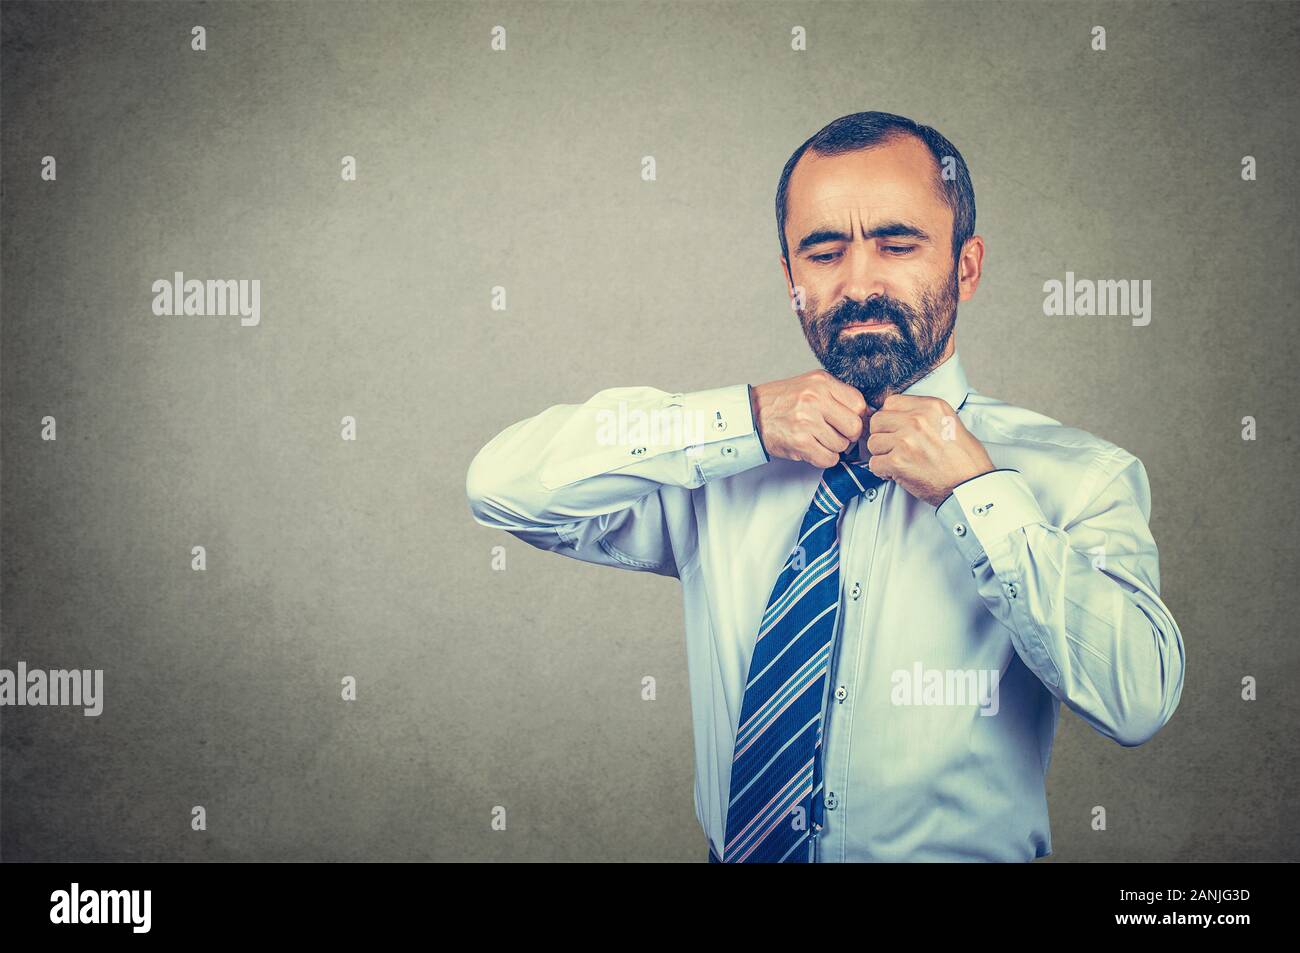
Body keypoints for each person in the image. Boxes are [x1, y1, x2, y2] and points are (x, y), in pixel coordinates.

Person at [465, 111, 1185, 863]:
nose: (859, 282)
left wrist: (978, 494)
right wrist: (741, 417)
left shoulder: (1078, 475)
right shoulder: (718, 471)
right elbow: (502, 485)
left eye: (897, 244)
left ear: (966, 267)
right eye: (824, 251)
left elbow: (1137, 699)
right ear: (791, 280)